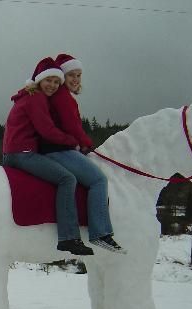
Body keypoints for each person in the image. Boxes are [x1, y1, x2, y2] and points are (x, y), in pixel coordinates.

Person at [3, 57, 94, 256]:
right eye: (48, 80)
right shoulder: (36, 98)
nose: (52, 85)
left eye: (56, 82)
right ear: (38, 80)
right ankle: (68, 237)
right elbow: (47, 130)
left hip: (15, 152)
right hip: (23, 153)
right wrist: (73, 142)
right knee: (67, 178)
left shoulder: (28, 95)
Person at [40, 53, 125, 254]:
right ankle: (100, 233)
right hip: (58, 150)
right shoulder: (63, 97)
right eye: (71, 75)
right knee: (98, 180)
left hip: (55, 148)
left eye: (78, 75)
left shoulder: (60, 96)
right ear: (62, 76)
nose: (76, 79)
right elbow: (73, 127)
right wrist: (86, 144)